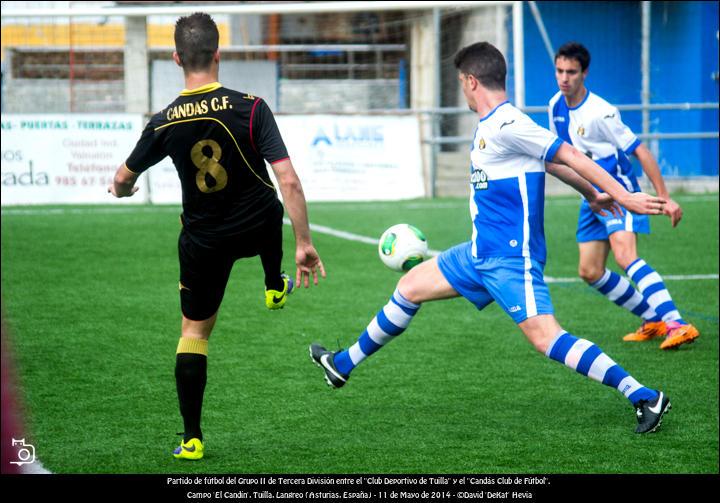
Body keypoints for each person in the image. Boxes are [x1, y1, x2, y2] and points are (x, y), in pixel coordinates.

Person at [310, 41, 671, 434]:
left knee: (548, 339)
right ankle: (341, 365)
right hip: (478, 253)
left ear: (470, 82)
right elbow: (549, 163)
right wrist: (590, 194)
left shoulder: (507, 123)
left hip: (510, 260)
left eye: (461, 83)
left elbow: (569, 154)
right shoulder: (495, 125)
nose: (463, 90)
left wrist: (623, 195)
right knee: (410, 286)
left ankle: (643, 396)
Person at [108, 12, 325, 460]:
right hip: (257, 228)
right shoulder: (251, 106)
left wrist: (120, 189)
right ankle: (272, 282)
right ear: (218, 55)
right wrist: (304, 244)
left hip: (205, 242)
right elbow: (289, 182)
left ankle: (191, 439)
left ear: (176, 58)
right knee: (267, 198)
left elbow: (124, 177)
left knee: (194, 334)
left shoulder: (163, 121)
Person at [548, 41, 699, 350]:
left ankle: (677, 324)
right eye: (560, 70)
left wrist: (664, 195)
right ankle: (652, 318)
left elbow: (640, 150)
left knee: (625, 256)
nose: (564, 78)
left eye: (572, 72)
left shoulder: (602, 112)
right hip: (590, 195)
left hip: (619, 193)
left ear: (584, 73)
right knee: (589, 271)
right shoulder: (555, 105)